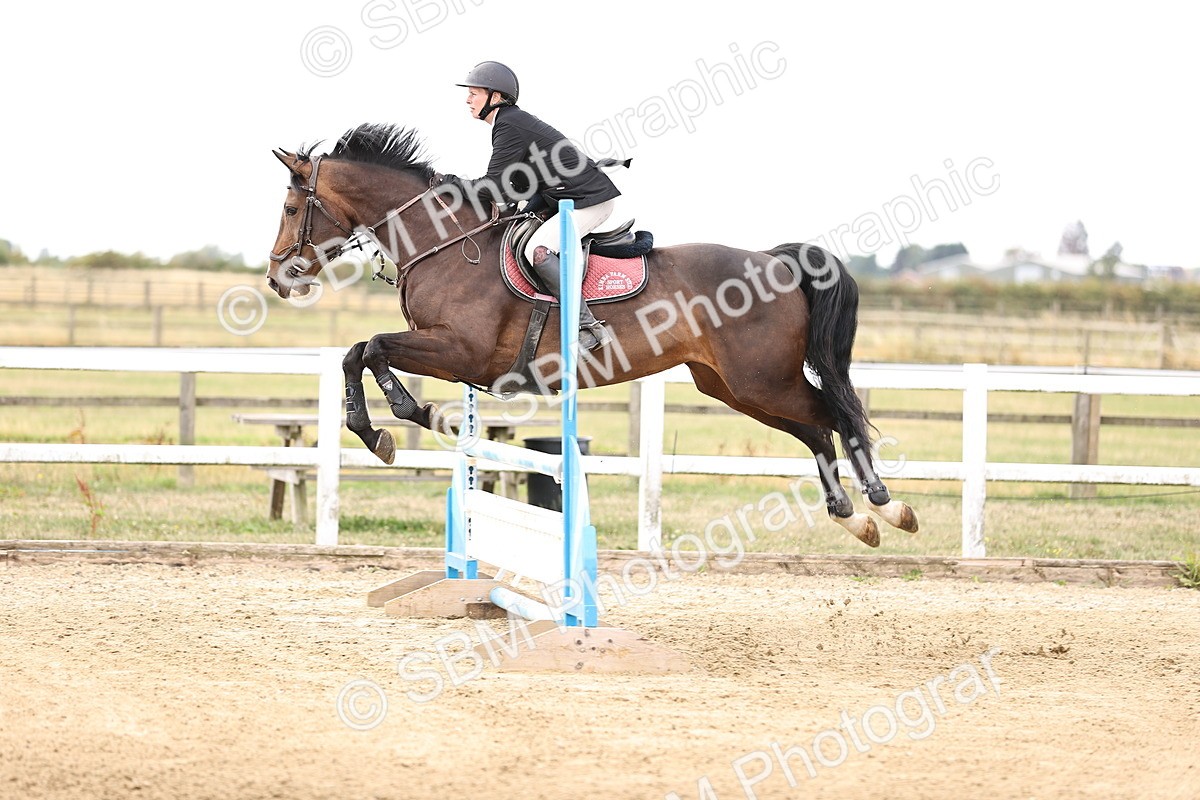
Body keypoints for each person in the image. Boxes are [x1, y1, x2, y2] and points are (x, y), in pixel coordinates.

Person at [441, 61, 619, 351]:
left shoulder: (509, 124)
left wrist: (451, 184)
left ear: (495, 97)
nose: (468, 99)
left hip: (589, 200)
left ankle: (588, 326)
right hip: (562, 197)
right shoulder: (509, 122)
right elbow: (518, 184)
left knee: (536, 251)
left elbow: (495, 186)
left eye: (474, 93)